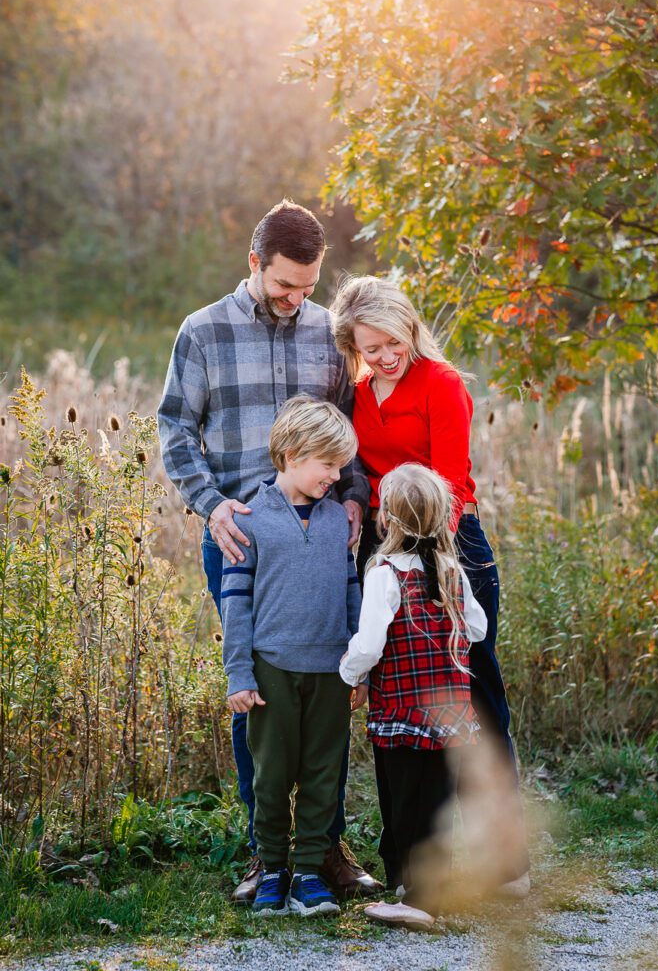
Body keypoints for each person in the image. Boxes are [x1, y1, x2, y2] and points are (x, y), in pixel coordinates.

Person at [157, 201, 380, 901]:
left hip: (323, 543)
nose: (296, 299)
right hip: (241, 536)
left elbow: (345, 431)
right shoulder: (203, 331)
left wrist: (352, 495)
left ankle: (325, 853)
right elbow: (175, 430)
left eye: (307, 286)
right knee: (257, 696)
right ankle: (266, 857)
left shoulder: (324, 332)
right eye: (284, 284)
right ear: (254, 263)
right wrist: (212, 502)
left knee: (326, 695)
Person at [331, 275, 531, 898]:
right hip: (386, 551)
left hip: (450, 544)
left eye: (395, 341)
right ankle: (420, 862)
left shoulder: (440, 384)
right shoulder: (360, 393)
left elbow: (453, 481)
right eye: (372, 347)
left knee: (475, 693)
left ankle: (508, 860)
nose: (386, 356)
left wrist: (429, 557)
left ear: (411, 329)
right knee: (406, 702)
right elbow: (360, 470)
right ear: (354, 347)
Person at [224, 397, 366, 916]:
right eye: (327, 464)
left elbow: (352, 594)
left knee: (323, 772)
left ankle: (309, 871)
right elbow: (235, 604)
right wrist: (239, 672)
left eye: (341, 465)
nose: (336, 475)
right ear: (288, 454)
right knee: (272, 774)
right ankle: (273, 869)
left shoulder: (337, 521)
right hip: (271, 669)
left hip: (331, 669)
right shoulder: (250, 518)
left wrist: (358, 666)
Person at [340, 464, 487, 930]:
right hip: (451, 716)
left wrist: (348, 673)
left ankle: (416, 897)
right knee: (437, 805)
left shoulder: (385, 573)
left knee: (403, 802)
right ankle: (426, 890)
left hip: (402, 713)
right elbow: (478, 628)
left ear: (388, 521)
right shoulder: (452, 572)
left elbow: (369, 644)